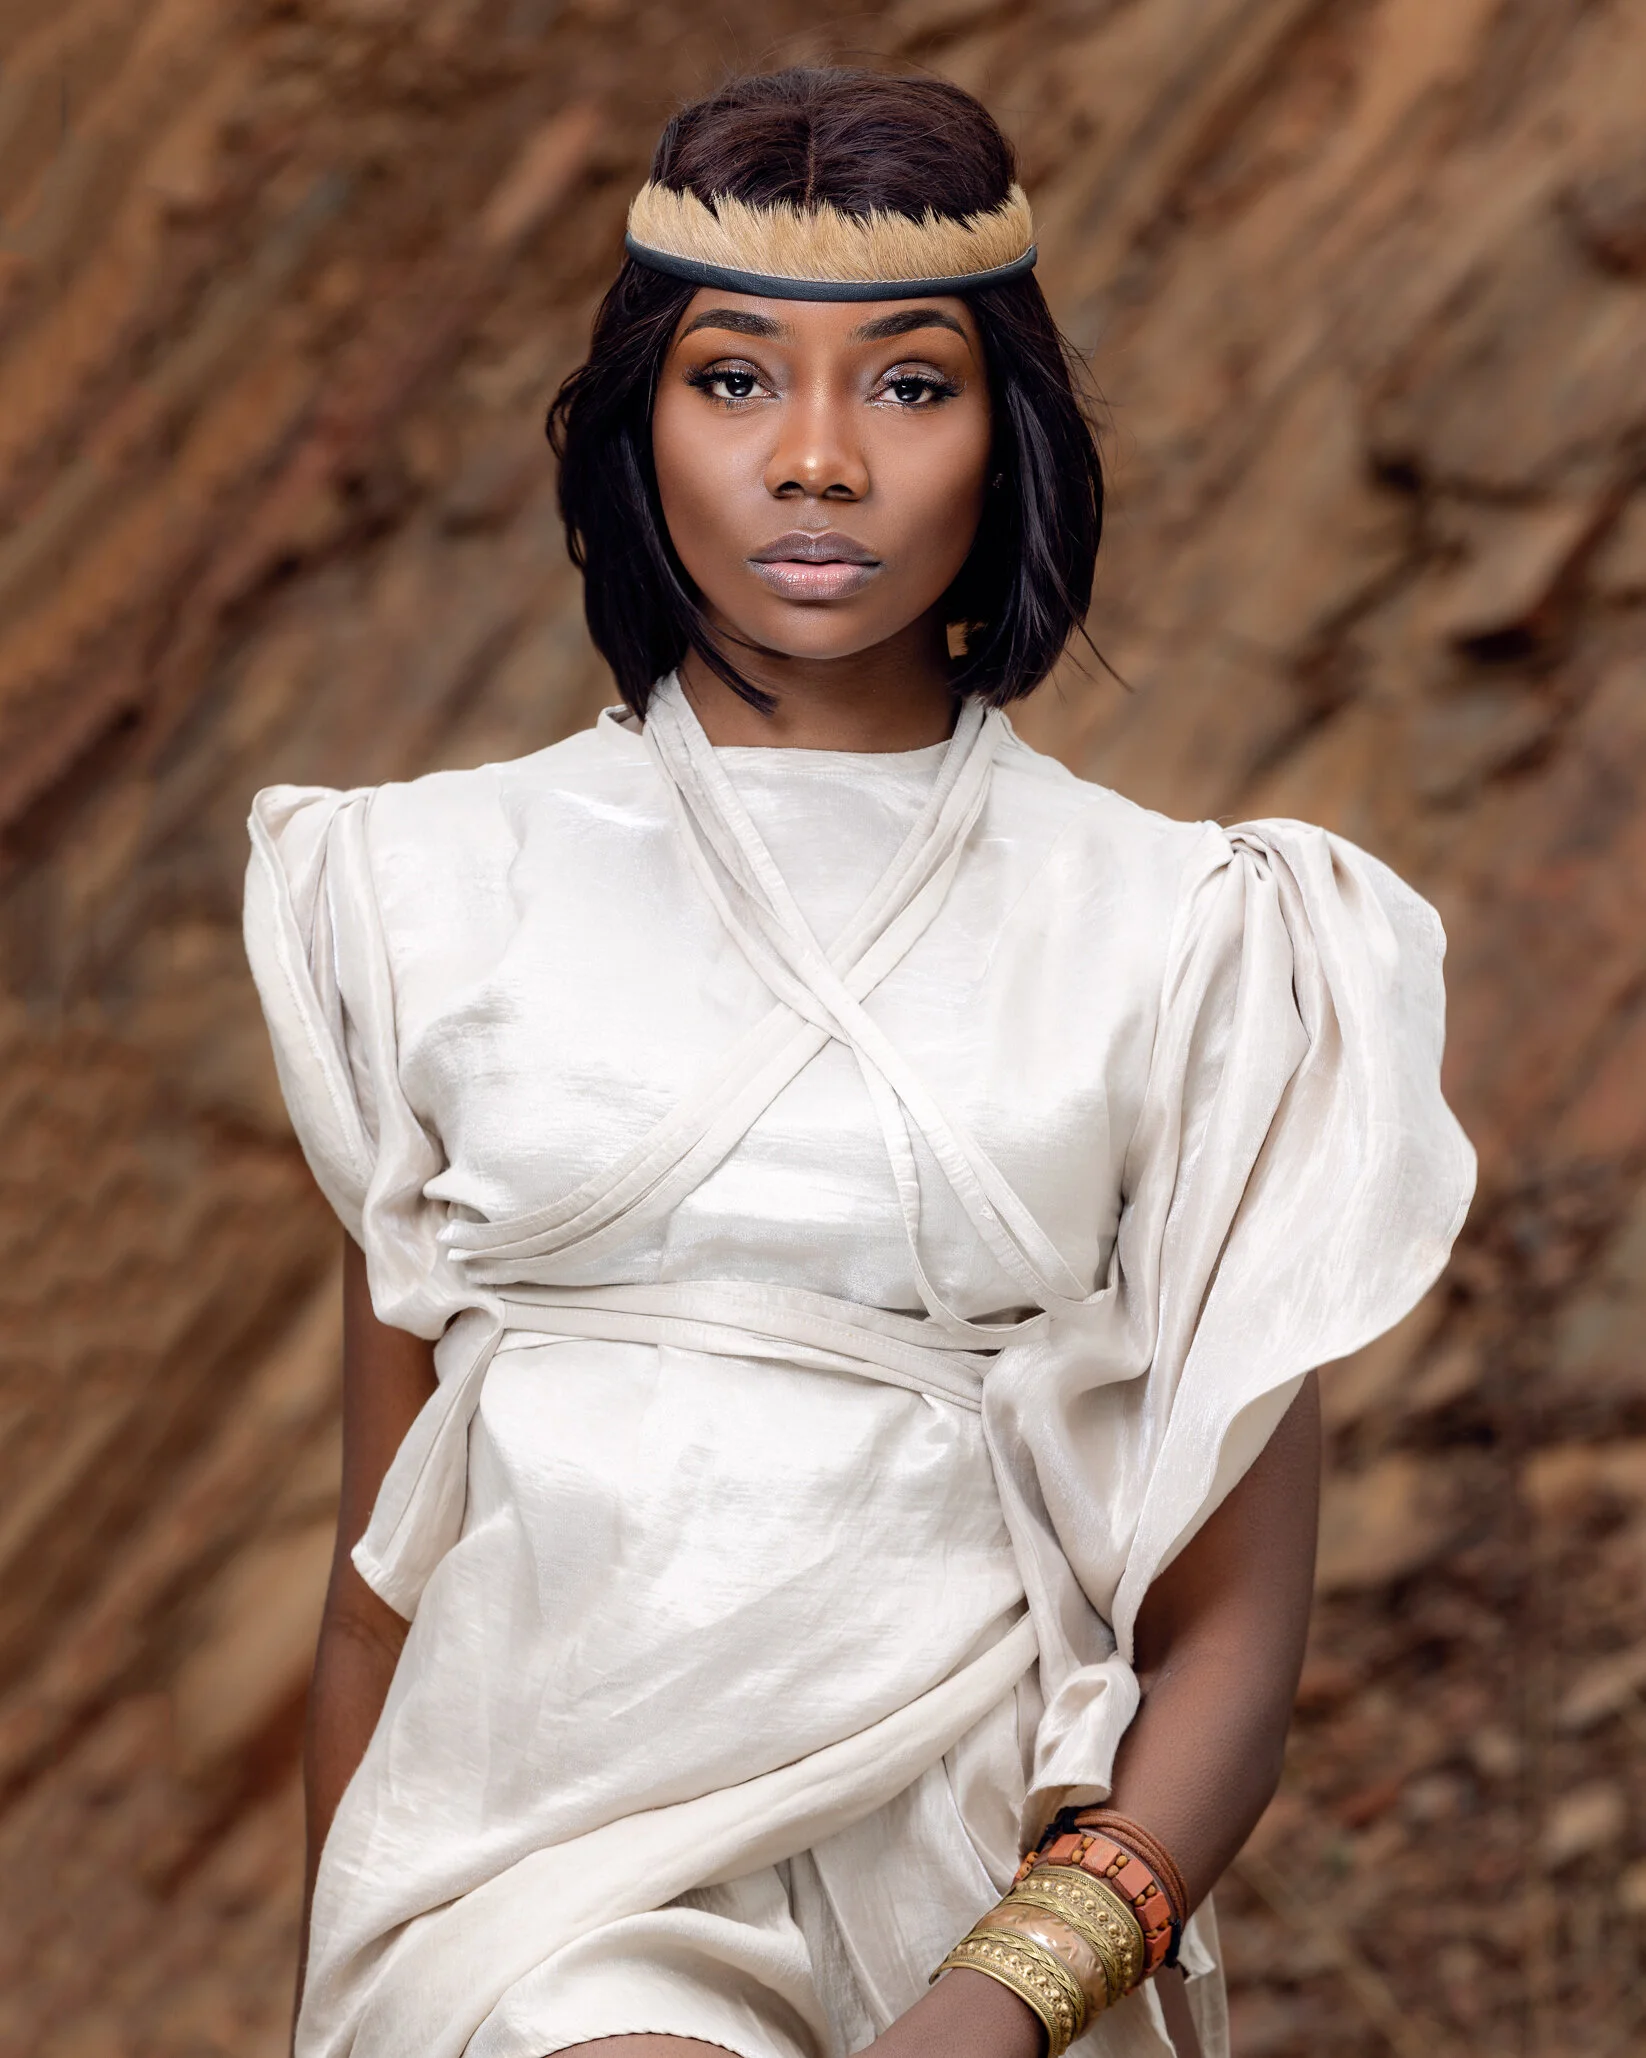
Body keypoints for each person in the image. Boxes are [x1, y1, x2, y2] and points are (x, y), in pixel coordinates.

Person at [244, 66, 1474, 2058]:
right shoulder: (416, 891)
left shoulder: (1193, 934)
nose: (816, 460)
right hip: (522, 1894)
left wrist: (1006, 1999)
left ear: (1009, 438)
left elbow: (1233, 1617)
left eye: (907, 386)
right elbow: (381, 1568)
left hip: (985, 1907)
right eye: (735, 380)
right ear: (636, 426)